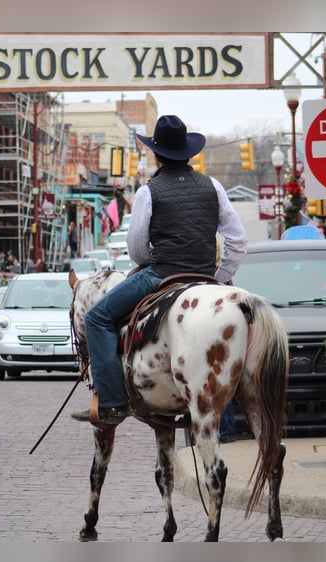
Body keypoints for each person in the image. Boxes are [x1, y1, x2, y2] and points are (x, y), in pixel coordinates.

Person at [72, 115, 248, 425]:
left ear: (157, 155)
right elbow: (237, 240)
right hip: (206, 277)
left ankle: (112, 402)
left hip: (161, 275)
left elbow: (138, 249)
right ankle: (234, 414)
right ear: (188, 153)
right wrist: (218, 279)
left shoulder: (148, 191)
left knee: (96, 317)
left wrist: (158, 258)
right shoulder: (214, 187)